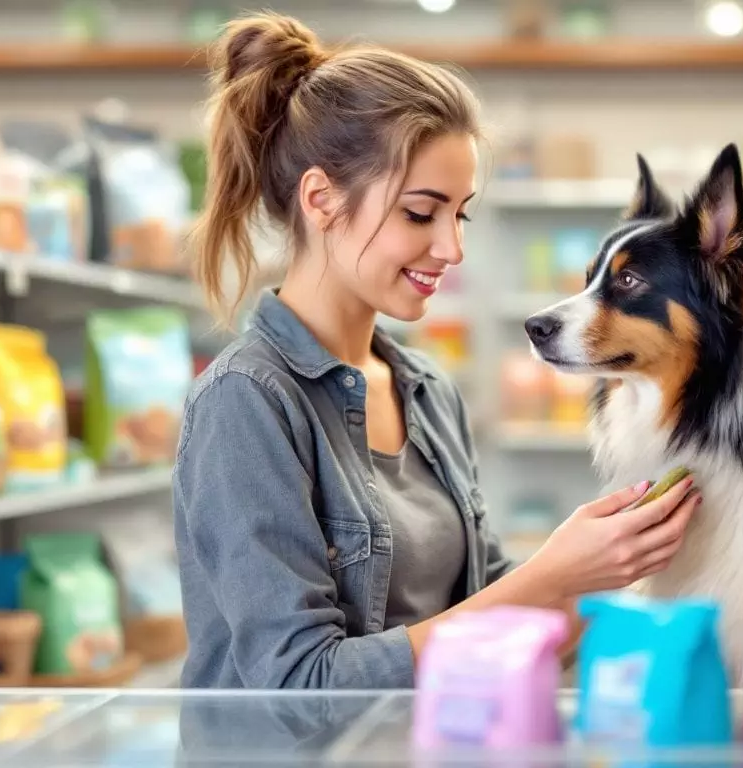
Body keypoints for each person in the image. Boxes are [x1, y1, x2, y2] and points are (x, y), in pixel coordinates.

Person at [174, 11, 701, 690]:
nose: (452, 248)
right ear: (321, 199)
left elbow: (478, 613)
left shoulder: (425, 387)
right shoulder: (245, 403)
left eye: (461, 214)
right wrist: (549, 575)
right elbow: (299, 689)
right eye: (421, 213)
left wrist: (637, 582)